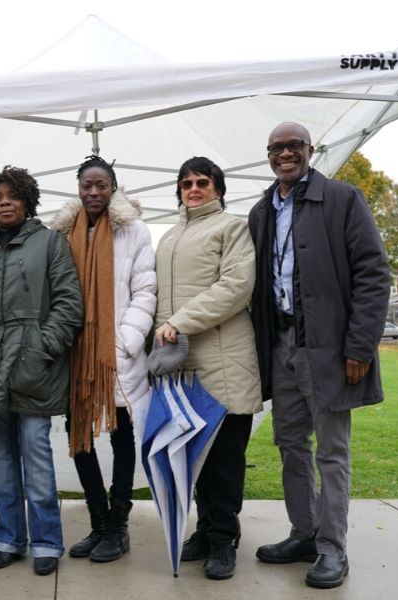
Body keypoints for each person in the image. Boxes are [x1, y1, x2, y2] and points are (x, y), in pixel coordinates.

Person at [249, 123, 390, 589]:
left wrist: (360, 346)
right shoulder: (261, 211)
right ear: (269, 155)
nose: (285, 153)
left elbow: (373, 274)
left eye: (294, 146)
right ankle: (304, 534)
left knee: (332, 451)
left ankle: (333, 549)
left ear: (310, 150)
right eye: (277, 148)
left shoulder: (343, 198)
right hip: (282, 345)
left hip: (330, 349)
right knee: (290, 445)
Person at [0, 166, 83, 577]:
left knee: (37, 456)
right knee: (3, 460)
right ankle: (9, 537)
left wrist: (41, 347)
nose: (5, 202)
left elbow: (68, 305)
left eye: (12, 195)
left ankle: (47, 541)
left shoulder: (49, 243)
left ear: (28, 201)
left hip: (34, 371)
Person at [154, 156, 262, 580]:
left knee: (224, 459)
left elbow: (236, 288)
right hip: (183, 366)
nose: (193, 189)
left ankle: (224, 539)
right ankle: (205, 529)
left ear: (218, 187)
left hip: (224, 360)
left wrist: (178, 322)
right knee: (194, 455)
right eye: (186, 183)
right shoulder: (168, 236)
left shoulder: (231, 228)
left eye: (202, 182)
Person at [49, 155, 156, 563]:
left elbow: (145, 289)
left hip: (116, 354)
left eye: (101, 185)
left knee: (122, 435)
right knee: (80, 439)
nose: (94, 192)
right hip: (74, 354)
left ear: (114, 188)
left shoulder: (134, 230)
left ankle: (119, 523)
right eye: (87, 186)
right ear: (77, 188)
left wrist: (124, 340)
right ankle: (99, 522)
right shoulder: (60, 235)